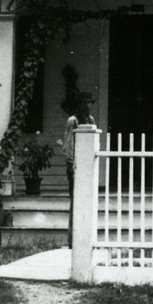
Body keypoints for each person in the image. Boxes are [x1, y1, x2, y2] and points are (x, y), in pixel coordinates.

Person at [63, 92, 96, 247]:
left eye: (90, 103)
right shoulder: (73, 121)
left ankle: (84, 239)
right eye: (85, 103)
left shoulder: (91, 120)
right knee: (75, 201)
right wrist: (71, 165)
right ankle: (72, 240)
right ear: (80, 104)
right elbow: (68, 145)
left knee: (86, 201)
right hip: (75, 167)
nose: (88, 106)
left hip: (86, 167)